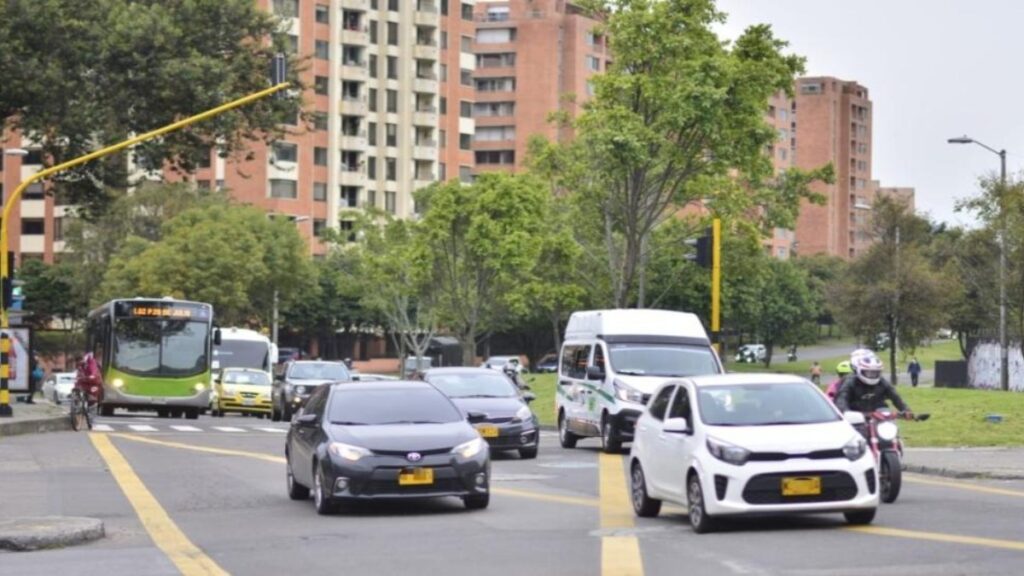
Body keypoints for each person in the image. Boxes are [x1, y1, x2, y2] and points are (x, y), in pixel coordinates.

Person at [834, 350, 911, 417]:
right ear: (860, 370)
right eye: (869, 372)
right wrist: (846, 413)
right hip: (856, 419)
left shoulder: (882, 382)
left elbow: (895, 396)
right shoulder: (850, 381)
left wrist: (906, 410)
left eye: (875, 372)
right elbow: (841, 400)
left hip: (879, 418)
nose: (872, 375)